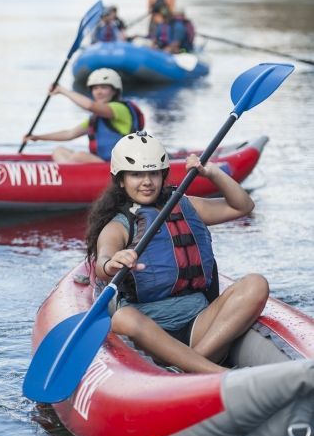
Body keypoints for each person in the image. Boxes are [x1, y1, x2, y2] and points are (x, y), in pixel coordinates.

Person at [86, 131, 269, 374]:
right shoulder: (119, 225)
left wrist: (213, 173)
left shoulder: (185, 205)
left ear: (163, 175)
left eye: (153, 173)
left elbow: (242, 206)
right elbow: (103, 262)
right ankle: (218, 373)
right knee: (123, 318)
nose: (147, 181)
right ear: (120, 180)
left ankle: (191, 368)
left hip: (200, 325)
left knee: (256, 283)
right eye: (136, 174)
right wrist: (112, 263)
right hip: (150, 333)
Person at [22, 69, 144, 163]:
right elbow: (69, 134)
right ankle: (67, 180)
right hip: (101, 163)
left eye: (104, 87)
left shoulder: (119, 109)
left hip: (120, 165)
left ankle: (67, 178)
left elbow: (89, 105)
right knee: (59, 151)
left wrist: (62, 91)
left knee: (79, 156)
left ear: (114, 91)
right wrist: (38, 137)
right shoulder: (96, 118)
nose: (99, 92)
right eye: (95, 88)